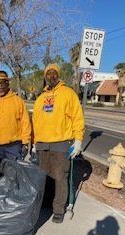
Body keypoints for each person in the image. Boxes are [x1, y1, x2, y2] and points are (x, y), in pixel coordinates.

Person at [32, 64, 85, 223]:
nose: (51, 76)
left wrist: (78, 140)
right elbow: (36, 120)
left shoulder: (68, 93)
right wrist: (35, 142)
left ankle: (58, 210)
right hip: (42, 144)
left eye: (54, 73)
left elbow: (77, 117)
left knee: (60, 178)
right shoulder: (41, 97)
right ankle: (47, 203)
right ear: (45, 76)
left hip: (61, 143)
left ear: (58, 75)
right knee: (45, 177)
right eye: (48, 73)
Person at [0, 70, 31, 176]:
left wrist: (26, 142)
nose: (0, 85)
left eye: (3, 82)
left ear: (7, 83)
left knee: (14, 175)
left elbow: (25, 122)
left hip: (14, 147)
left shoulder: (18, 101)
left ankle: (14, 193)